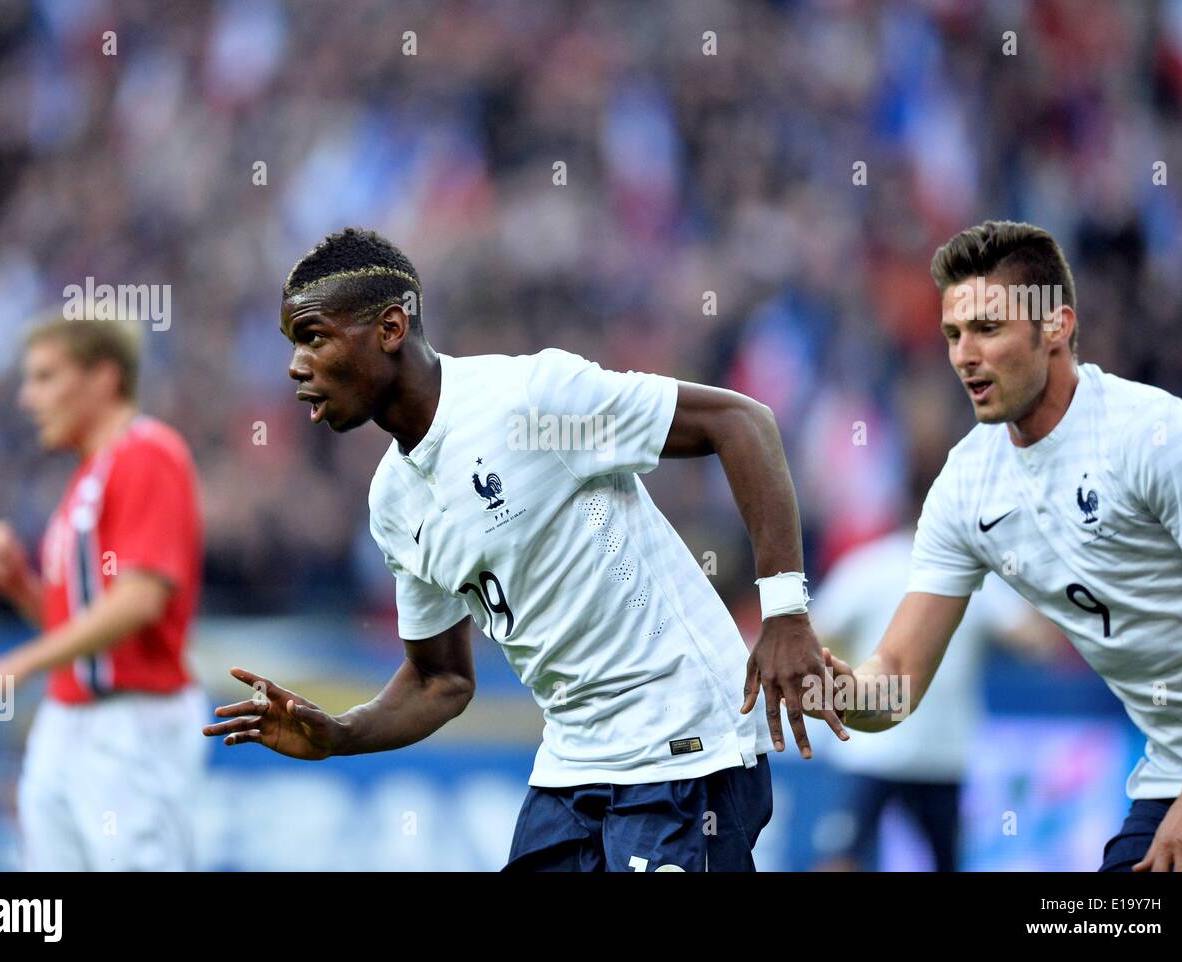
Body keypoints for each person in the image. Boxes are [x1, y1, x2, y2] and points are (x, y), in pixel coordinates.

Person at [203, 227, 846, 871]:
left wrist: (785, 612)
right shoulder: (393, 503)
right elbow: (440, 681)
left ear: (392, 327)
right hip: (574, 765)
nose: (294, 365)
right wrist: (342, 733)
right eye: (293, 344)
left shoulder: (530, 402)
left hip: (685, 744)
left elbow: (741, 423)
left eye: (313, 337)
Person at [824, 220, 1182, 872]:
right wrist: (826, 691)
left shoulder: (1156, 437)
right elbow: (897, 678)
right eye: (953, 335)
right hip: (1177, 770)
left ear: (1055, 327)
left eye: (987, 328)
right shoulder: (967, 486)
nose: (964, 355)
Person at [0, 317, 207, 871]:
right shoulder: (85, 479)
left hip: (131, 723)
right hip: (69, 718)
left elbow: (140, 601)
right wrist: (24, 587)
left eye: (46, 377)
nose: (29, 398)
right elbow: (85, 627)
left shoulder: (148, 453)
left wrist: (14, 666)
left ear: (102, 377)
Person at [809, 467, 1057, 871]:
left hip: (876, 747)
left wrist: (842, 676)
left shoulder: (866, 566)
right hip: (938, 751)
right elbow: (1037, 643)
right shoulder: (974, 572)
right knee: (942, 861)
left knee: (843, 856)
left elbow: (816, 634)